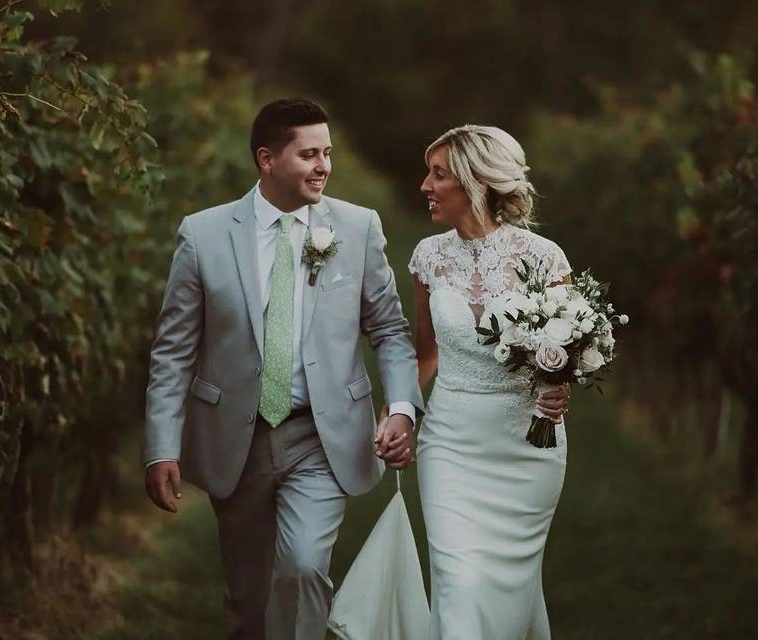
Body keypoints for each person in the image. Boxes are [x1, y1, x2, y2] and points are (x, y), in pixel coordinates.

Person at [142, 97, 422, 640]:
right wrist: (161, 445)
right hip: (236, 437)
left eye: (328, 153)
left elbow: (389, 329)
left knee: (302, 567)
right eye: (309, 154)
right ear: (267, 160)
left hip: (321, 433)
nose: (323, 166)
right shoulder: (202, 235)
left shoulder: (359, 229)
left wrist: (404, 407)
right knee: (247, 595)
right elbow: (173, 351)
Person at [409, 124, 572, 639]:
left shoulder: (546, 259)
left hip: (527, 446)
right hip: (451, 442)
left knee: (508, 587)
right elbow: (425, 352)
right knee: (458, 582)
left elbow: (566, 351)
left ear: (476, 181)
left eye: (438, 174)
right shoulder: (429, 258)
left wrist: (560, 383)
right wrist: (400, 411)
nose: (425, 186)